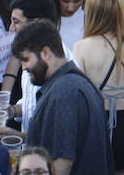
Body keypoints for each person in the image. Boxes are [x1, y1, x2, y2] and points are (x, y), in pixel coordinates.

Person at [12, 19, 113, 175]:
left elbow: (62, 163)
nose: (24, 67)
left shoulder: (63, 93)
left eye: (26, 59)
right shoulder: (77, 84)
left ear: (45, 53)